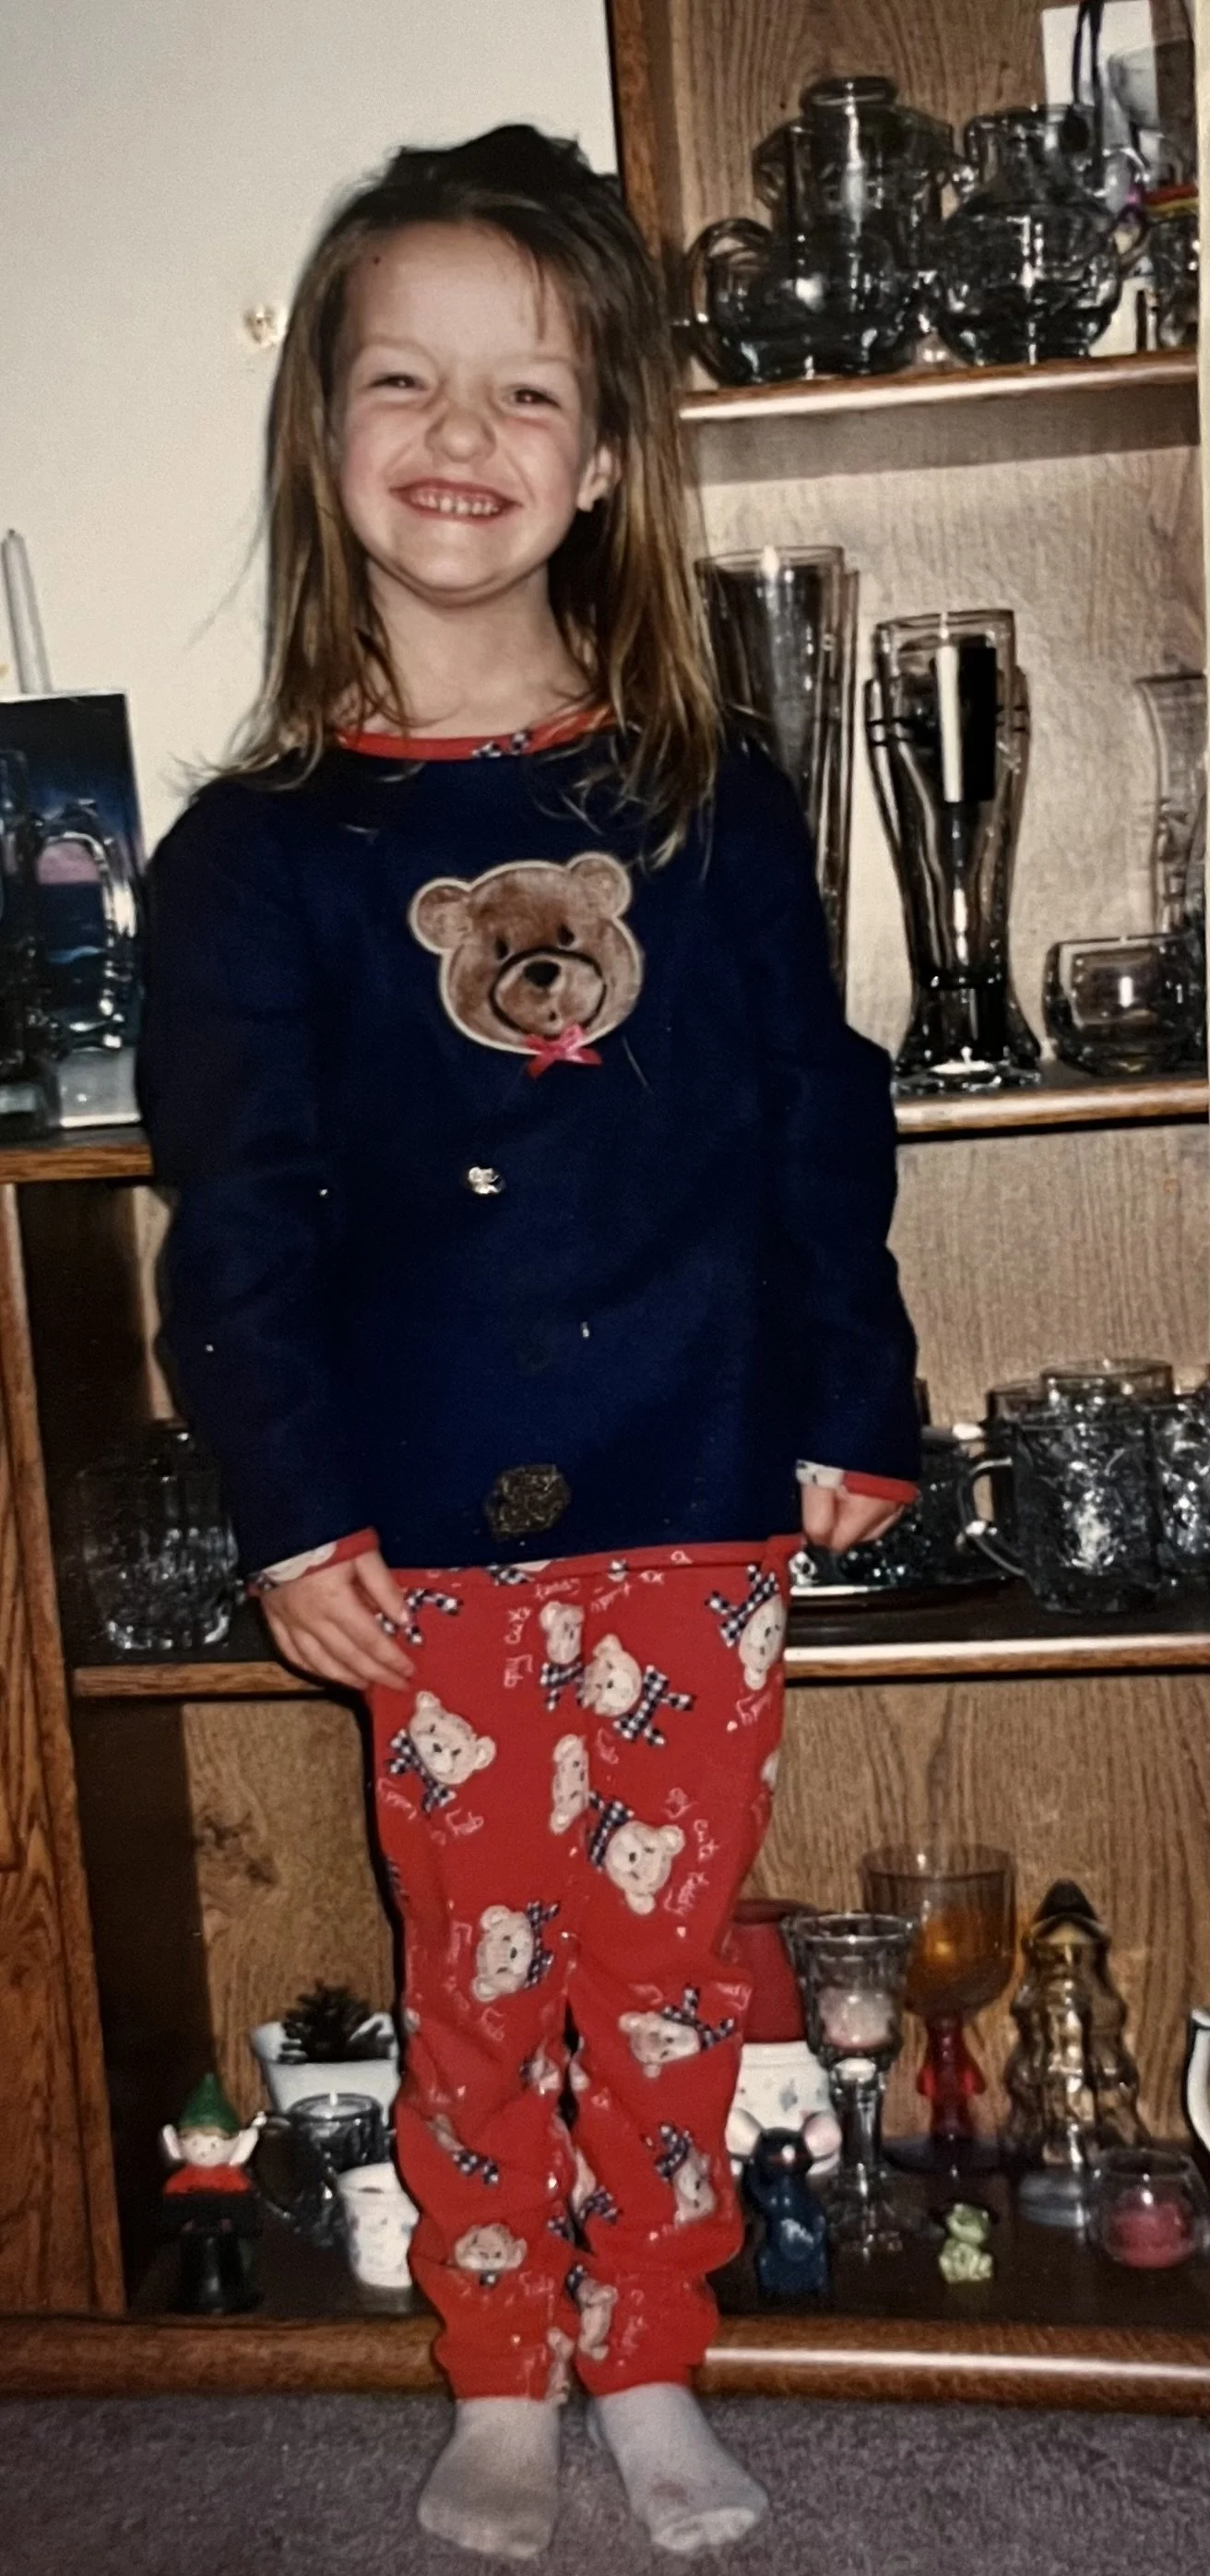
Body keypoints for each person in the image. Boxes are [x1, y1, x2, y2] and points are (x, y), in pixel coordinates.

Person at [138, 125, 919, 2561]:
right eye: (403, 382)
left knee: (672, 1975)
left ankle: (657, 2354)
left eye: (522, 395)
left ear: (597, 460)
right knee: (479, 1987)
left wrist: (855, 1405)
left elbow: (817, 1129)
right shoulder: (253, 861)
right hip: (429, 1547)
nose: (459, 438)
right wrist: (284, 1506)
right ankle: (501, 2368)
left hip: (698, 1504)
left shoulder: (712, 802)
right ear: (328, 436)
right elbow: (235, 1224)